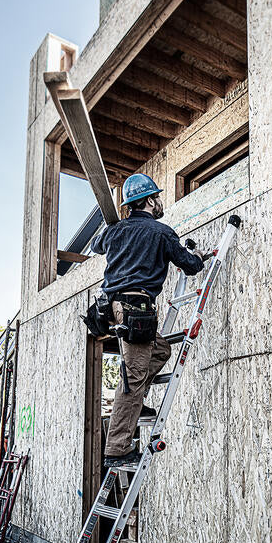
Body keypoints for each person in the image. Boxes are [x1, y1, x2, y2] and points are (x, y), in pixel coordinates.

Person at [91, 173, 211, 467]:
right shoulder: (161, 232)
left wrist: (116, 229)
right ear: (147, 200)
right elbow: (190, 265)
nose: (160, 202)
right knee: (132, 379)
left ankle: (135, 403)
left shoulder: (115, 231)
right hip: (135, 310)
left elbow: (95, 246)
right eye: (156, 197)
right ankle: (117, 450)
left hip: (117, 308)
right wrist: (198, 255)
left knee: (161, 351)